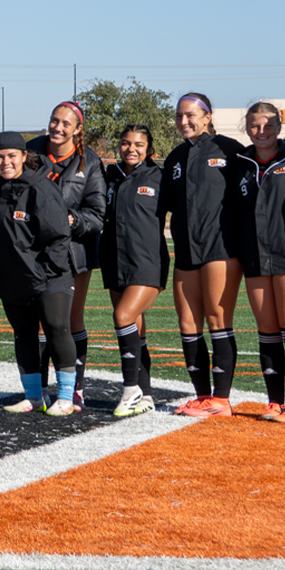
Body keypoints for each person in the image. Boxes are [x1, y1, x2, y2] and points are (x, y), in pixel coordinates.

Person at [226, 103, 285, 424]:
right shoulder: (240, 163)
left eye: (268, 125)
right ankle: (275, 402)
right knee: (267, 331)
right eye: (255, 126)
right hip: (254, 256)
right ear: (247, 128)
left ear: (279, 126)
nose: (261, 131)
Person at [0, 132, 77, 415]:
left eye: (12, 156)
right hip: (13, 277)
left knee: (56, 329)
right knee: (24, 335)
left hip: (50, 277)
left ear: (24, 156)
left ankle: (66, 398)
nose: (5, 162)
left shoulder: (41, 188)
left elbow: (59, 237)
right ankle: (34, 397)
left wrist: (42, 273)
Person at [160, 93, 245, 417]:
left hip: (221, 248)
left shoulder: (229, 150)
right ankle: (202, 396)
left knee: (217, 320)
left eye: (190, 115)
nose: (183, 121)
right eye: (179, 116)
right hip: (185, 249)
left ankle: (221, 399)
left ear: (207, 117)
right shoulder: (176, 157)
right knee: (187, 323)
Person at [25, 101, 106, 407]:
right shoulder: (31, 151)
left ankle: (74, 389)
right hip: (32, 251)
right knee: (39, 322)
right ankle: (38, 391)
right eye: (54, 120)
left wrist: (71, 220)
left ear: (78, 129)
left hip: (74, 252)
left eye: (65, 123)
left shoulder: (90, 162)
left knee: (70, 320)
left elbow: (97, 215)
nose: (57, 128)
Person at [101, 124, 172, 418]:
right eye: (126, 143)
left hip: (147, 262)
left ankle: (130, 390)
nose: (131, 149)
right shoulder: (109, 176)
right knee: (136, 329)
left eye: (139, 144)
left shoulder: (160, 177)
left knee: (123, 317)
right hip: (115, 261)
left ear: (149, 149)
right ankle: (146, 394)